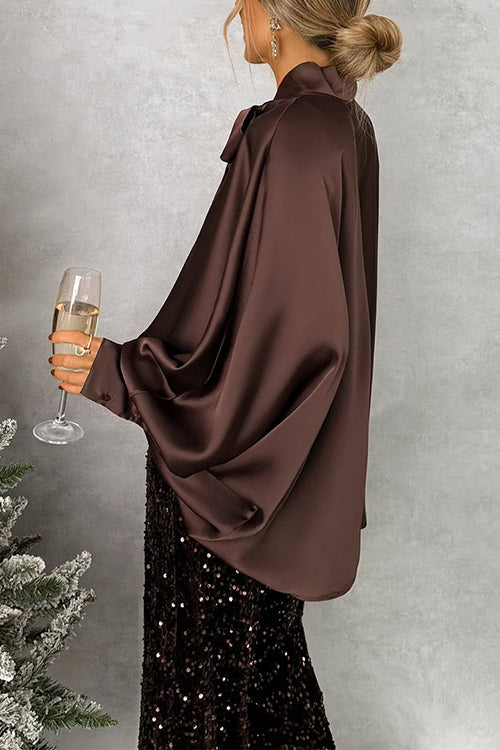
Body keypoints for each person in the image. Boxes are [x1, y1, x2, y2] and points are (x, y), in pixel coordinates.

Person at [48, 1, 402, 747]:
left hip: (226, 490)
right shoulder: (338, 124)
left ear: (277, 15)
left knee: (209, 711)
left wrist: (114, 372)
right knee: (264, 700)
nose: (235, 9)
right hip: (279, 483)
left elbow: (288, 342)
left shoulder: (296, 132)